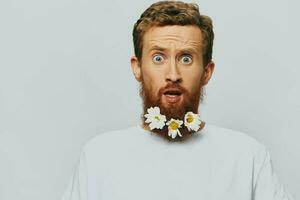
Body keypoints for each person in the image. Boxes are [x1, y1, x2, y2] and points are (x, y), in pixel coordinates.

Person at [62, 1, 294, 199]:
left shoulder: (248, 157)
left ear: (207, 71)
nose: (173, 74)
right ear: (138, 68)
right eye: (158, 57)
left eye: (185, 58)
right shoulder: (98, 157)